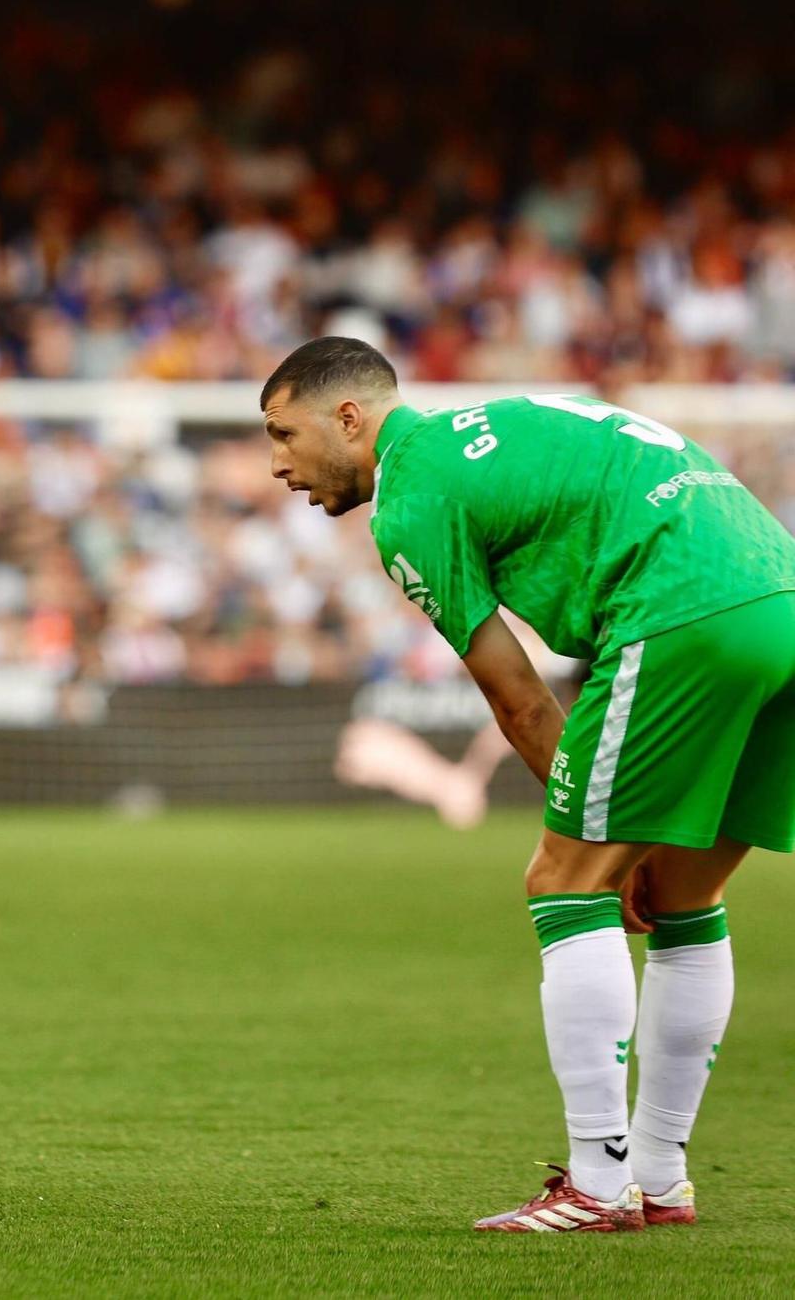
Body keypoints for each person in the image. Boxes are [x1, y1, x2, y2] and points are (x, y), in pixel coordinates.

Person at [260, 336, 795, 1232]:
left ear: (348, 418)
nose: (278, 464)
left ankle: (597, 1182)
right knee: (688, 895)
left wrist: (597, 842)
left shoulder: (412, 498)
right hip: (779, 599)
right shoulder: (499, 423)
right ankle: (660, 1176)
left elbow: (519, 701)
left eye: (283, 434)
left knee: (562, 880)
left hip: (681, 614)